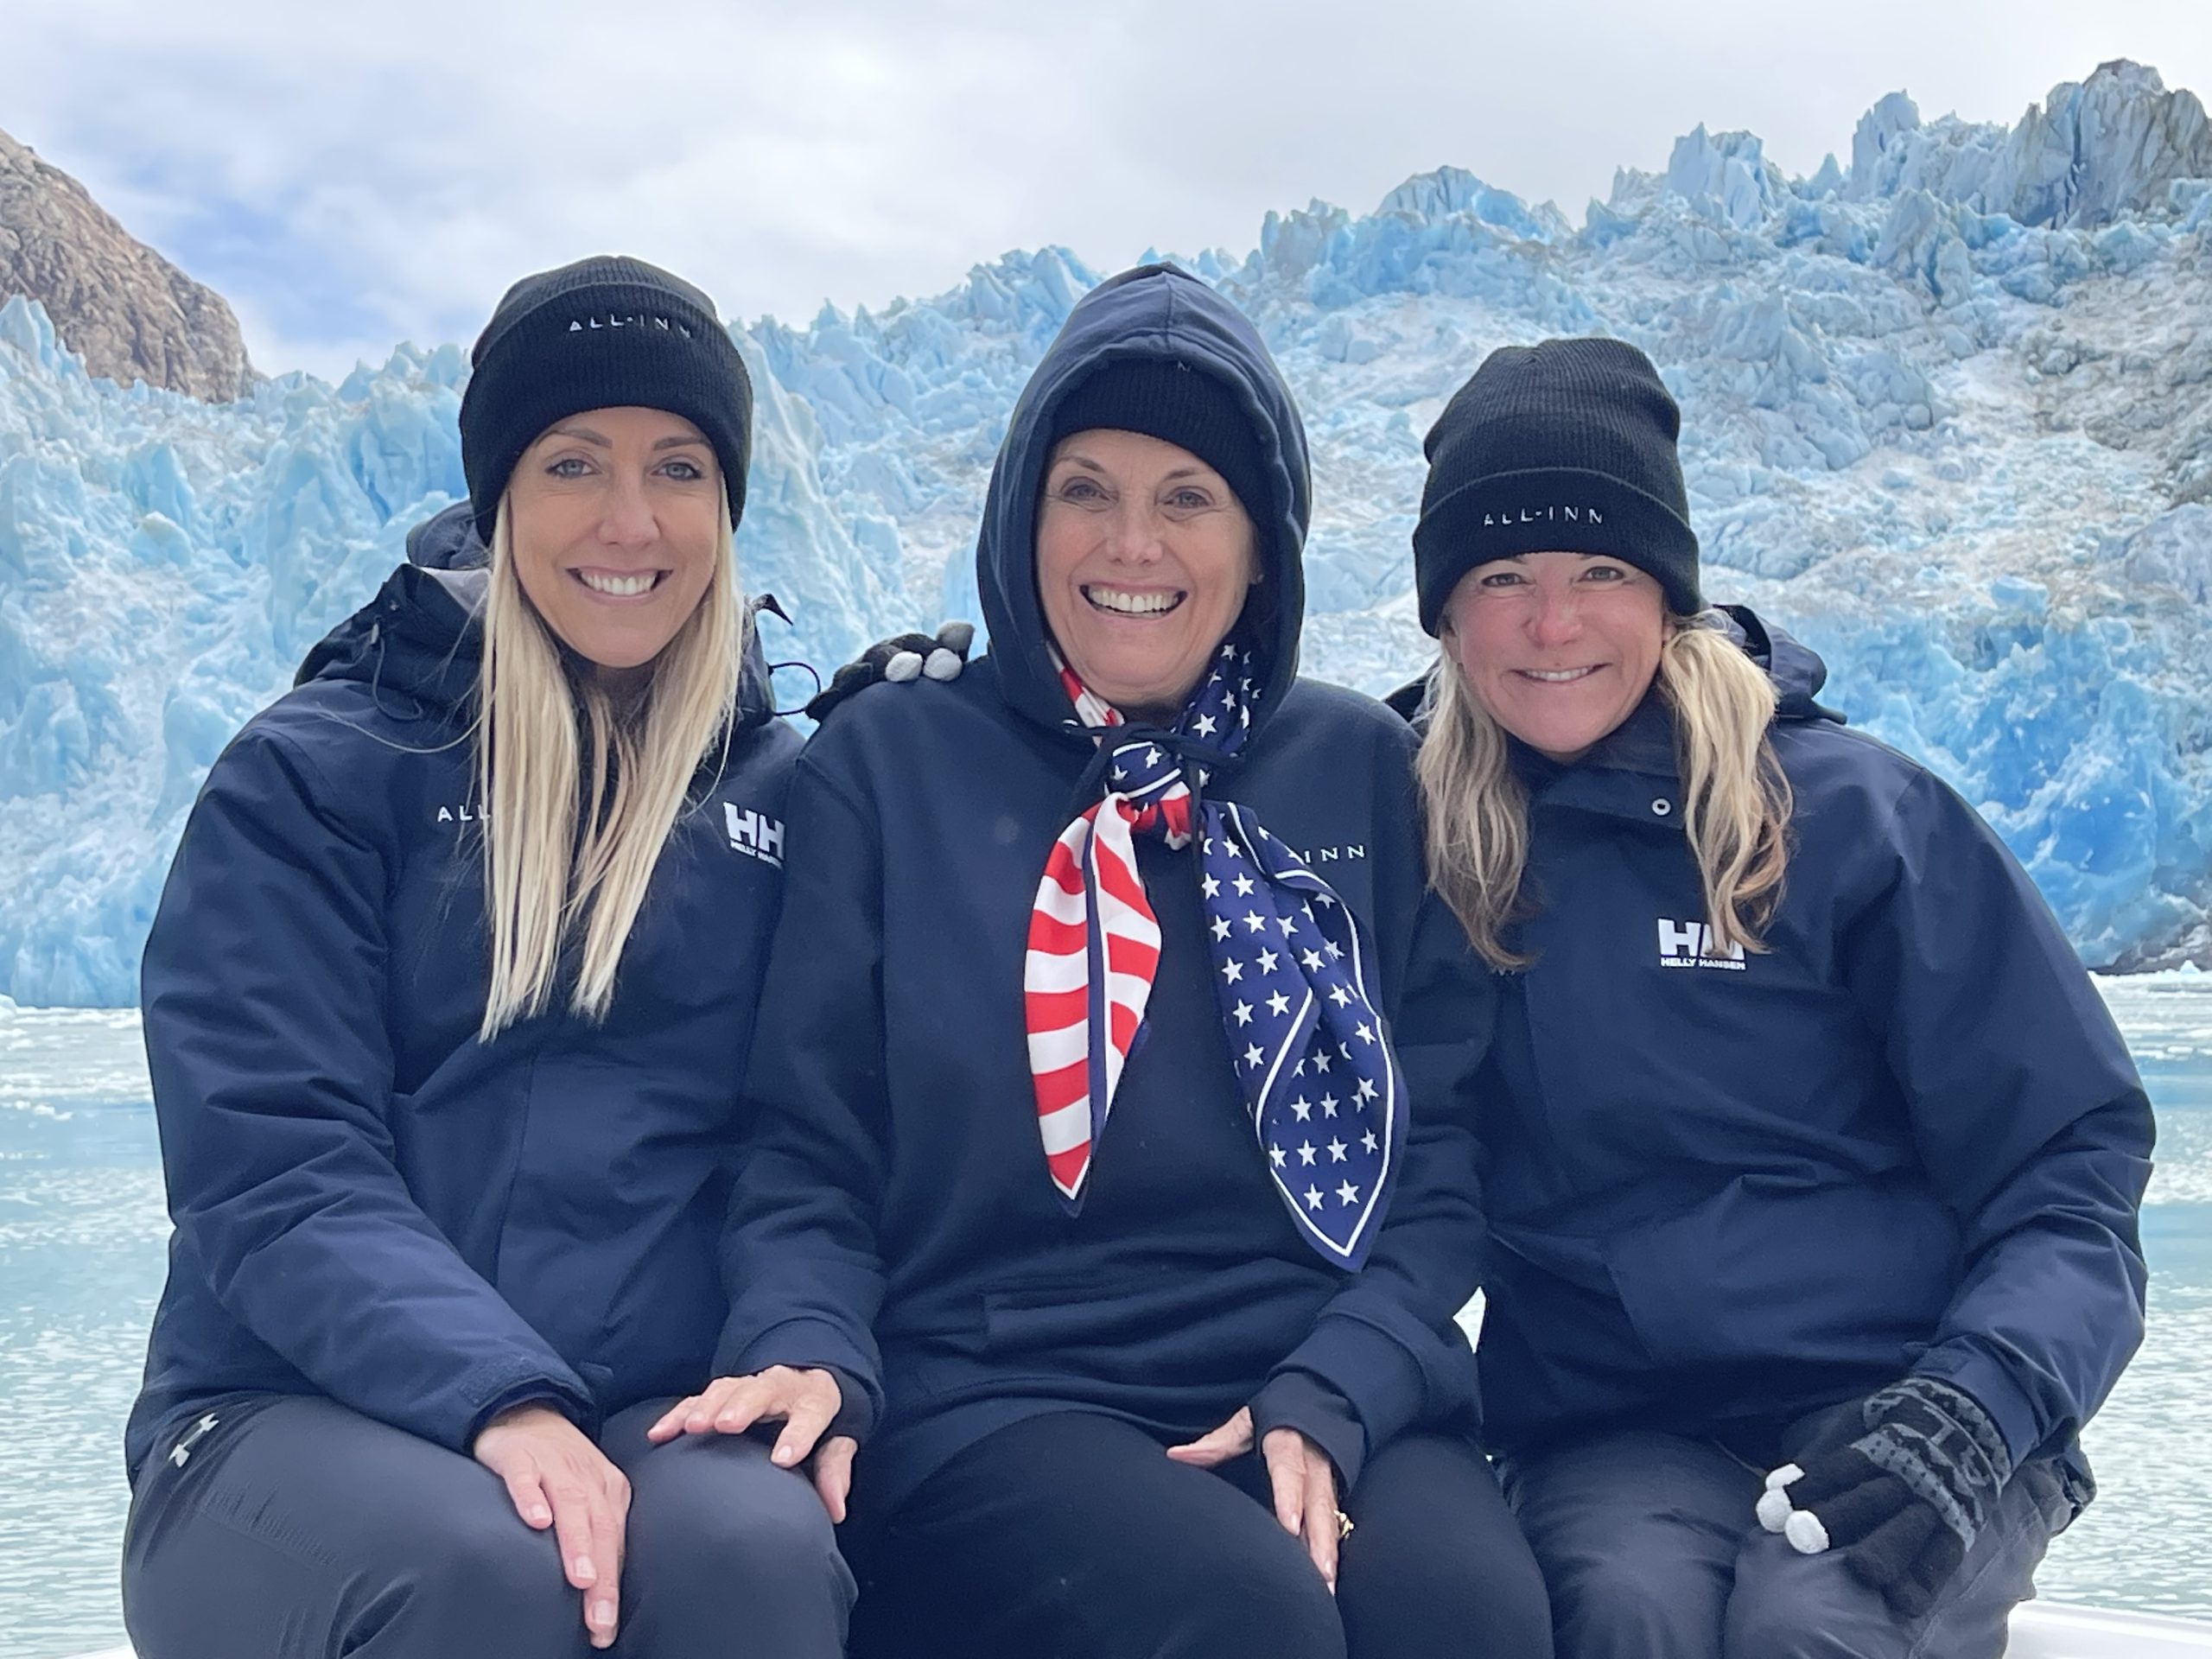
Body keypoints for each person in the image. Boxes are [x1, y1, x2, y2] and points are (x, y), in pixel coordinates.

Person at [652, 264, 1553, 1659]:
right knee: (1247, 1624)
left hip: (1308, 1364)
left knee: (1469, 1620)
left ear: (1264, 544)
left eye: (1187, 496)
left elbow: (1440, 1155)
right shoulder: (892, 765)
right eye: (1087, 489)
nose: (1132, 543)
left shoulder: (1360, 772)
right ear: (1023, 515)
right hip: (993, 1392)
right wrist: (808, 1337)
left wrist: (1348, 1377)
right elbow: (804, 1145)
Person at [120, 256, 851, 1658]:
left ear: (728, 503)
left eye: (679, 467)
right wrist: (499, 1398)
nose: (629, 520)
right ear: (502, 493)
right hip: (290, 1405)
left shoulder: (789, 795)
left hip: (654, 1398)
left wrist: (802, 1340)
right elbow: (274, 1158)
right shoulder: (325, 770)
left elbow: (809, 1145)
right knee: (485, 1575)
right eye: (575, 462)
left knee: (756, 1554)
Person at [1405, 335, 2154, 1659]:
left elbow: (2068, 1162)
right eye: (1501, 578)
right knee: (1625, 1612)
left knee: (1817, 1622)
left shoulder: (1858, 821)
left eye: (1602, 573)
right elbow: (1175, 837)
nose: (1553, 622)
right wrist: (938, 719)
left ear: (1671, 594)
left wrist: (1976, 1407)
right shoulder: (1420, 830)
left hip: (1914, 1397)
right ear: (1447, 615)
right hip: (1621, 1428)